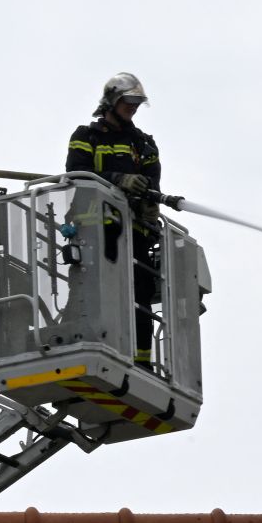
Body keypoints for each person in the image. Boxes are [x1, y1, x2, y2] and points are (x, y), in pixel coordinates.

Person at [66, 72, 161, 373]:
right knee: (87, 291)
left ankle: (142, 363)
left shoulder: (144, 145)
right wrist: (119, 179)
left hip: (135, 234)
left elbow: (152, 185)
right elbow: (77, 175)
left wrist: (150, 205)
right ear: (112, 101)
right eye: (127, 102)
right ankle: (75, 344)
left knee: (140, 294)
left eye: (136, 103)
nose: (132, 108)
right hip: (95, 231)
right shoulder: (86, 136)